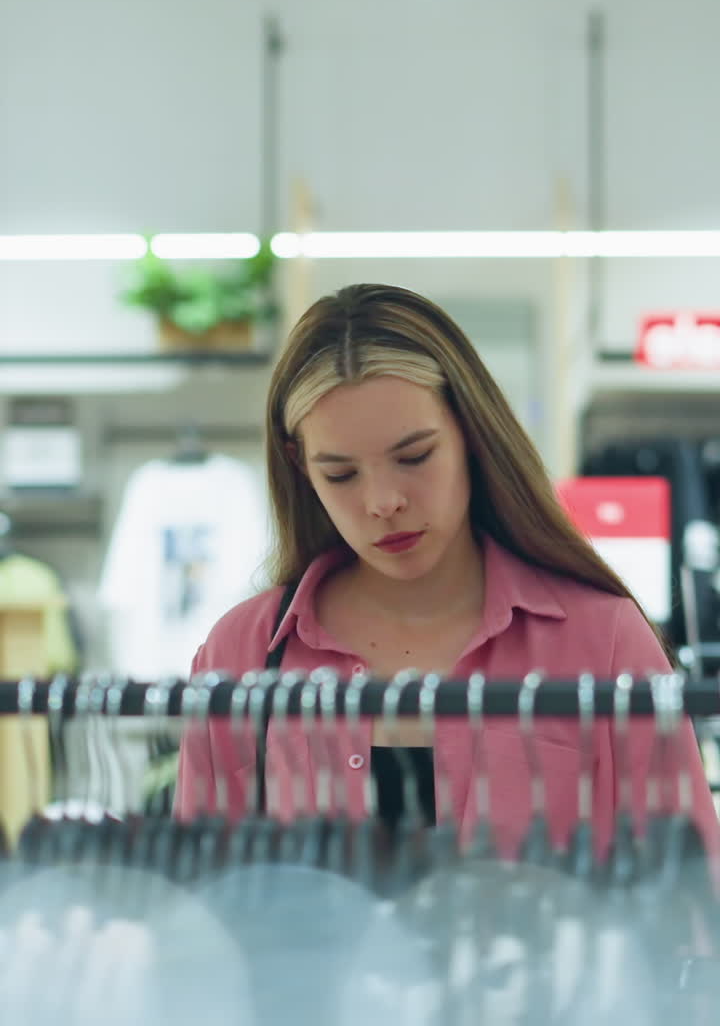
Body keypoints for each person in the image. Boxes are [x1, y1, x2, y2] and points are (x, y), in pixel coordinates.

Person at [175, 283, 719, 862]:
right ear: (300, 466)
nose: (384, 501)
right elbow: (206, 895)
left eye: (415, 457)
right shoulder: (242, 655)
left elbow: (689, 890)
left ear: (470, 433)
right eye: (340, 474)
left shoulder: (604, 641)